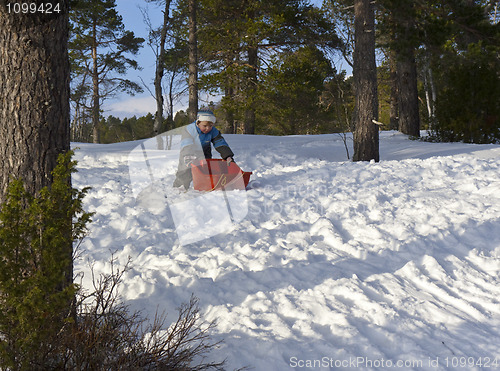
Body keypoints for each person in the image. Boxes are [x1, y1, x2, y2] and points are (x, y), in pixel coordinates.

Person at [173, 110, 235, 189]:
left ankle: (204, 187)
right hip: (188, 152)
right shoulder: (189, 130)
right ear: (198, 122)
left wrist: (227, 156)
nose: (208, 128)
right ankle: (179, 187)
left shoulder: (213, 131)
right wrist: (188, 156)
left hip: (204, 152)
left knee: (205, 170)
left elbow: (220, 143)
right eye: (205, 126)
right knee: (186, 171)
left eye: (211, 125)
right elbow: (186, 144)